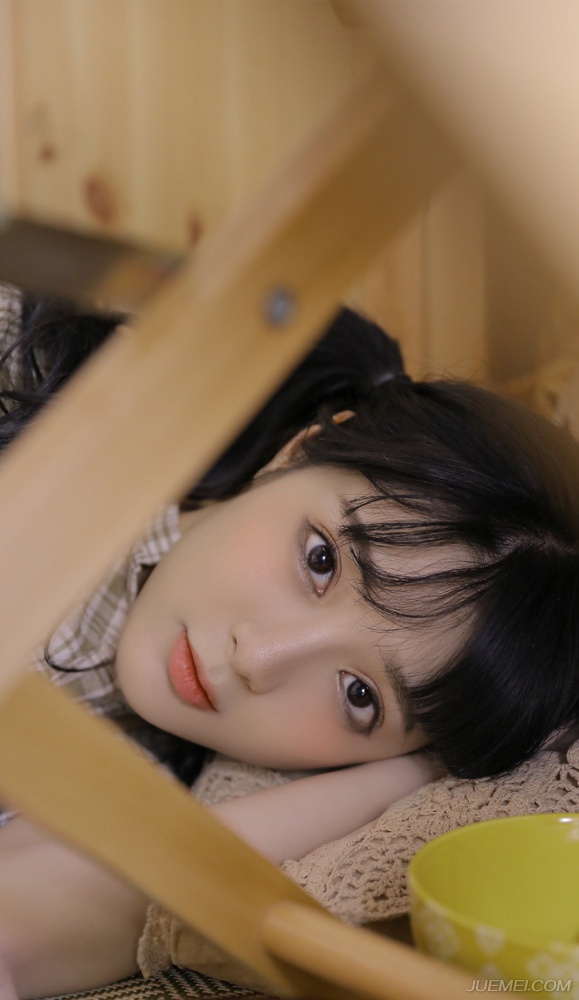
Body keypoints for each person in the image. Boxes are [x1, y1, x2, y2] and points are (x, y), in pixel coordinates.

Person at [0, 282, 578, 998]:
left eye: (359, 696)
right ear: (298, 449)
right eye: (320, 560)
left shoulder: (136, 780)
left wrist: (407, 779)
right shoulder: (32, 392)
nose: (258, 658)